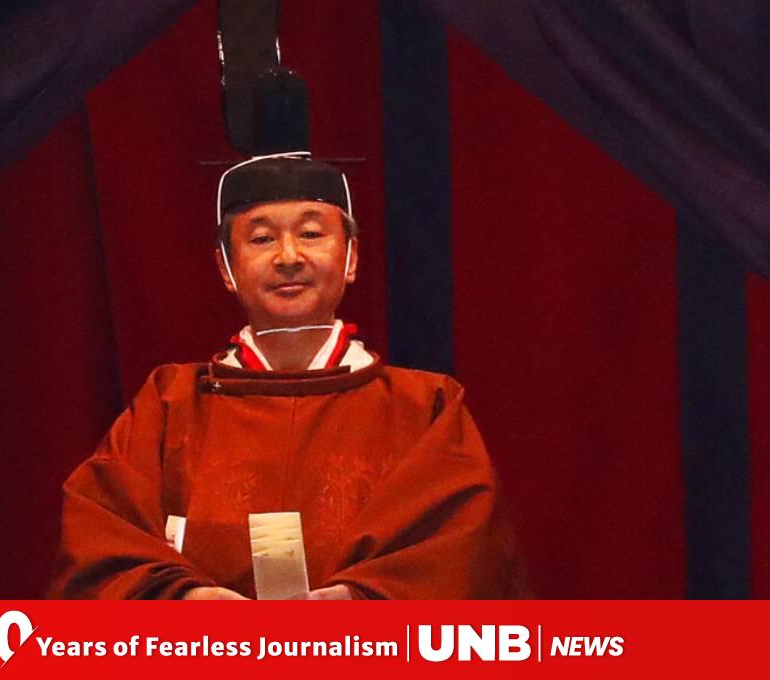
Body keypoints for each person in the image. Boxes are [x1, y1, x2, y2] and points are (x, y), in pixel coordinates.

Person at [49, 152, 526, 599]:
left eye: (312, 234)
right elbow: (101, 540)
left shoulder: (426, 406)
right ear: (226, 268)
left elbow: (463, 556)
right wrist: (185, 599)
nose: (288, 256)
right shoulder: (169, 404)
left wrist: (358, 603)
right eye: (261, 238)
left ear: (352, 257)